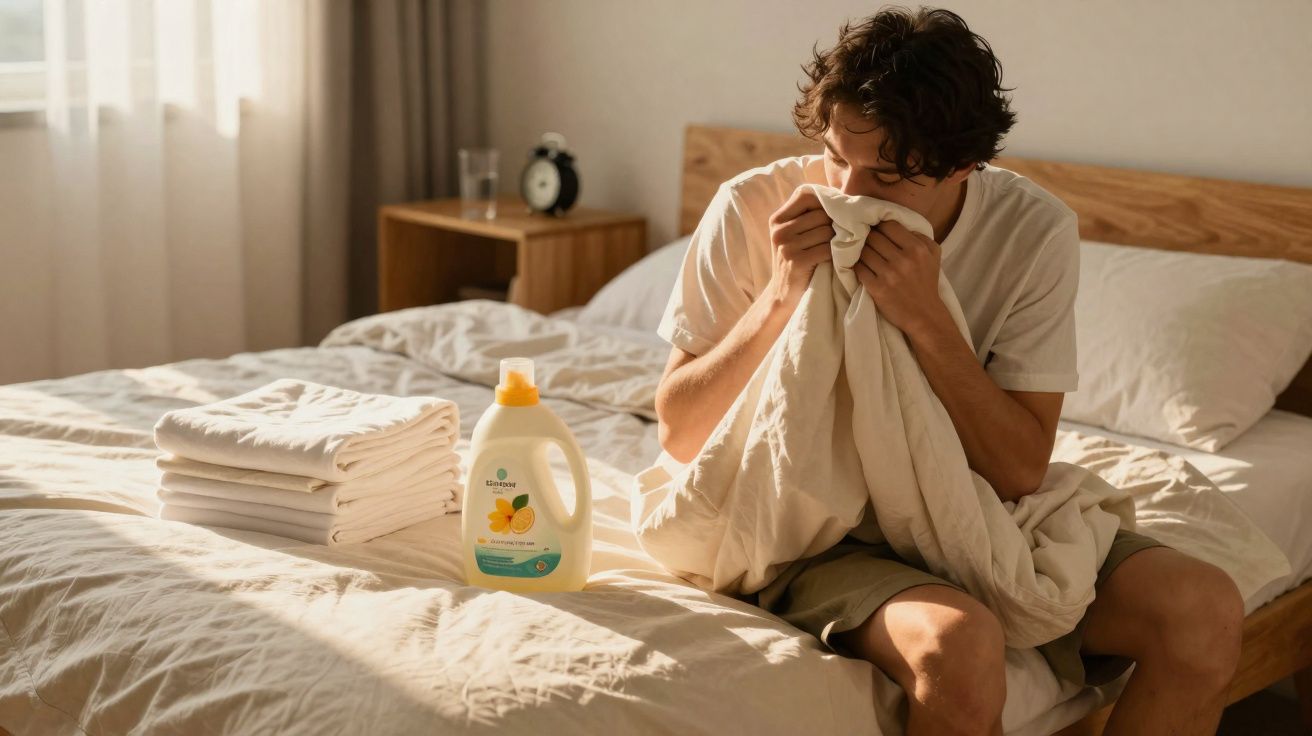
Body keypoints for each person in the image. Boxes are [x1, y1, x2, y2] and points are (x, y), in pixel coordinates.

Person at [653, 7, 1244, 735]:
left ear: (964, 165)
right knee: (959, 646)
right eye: (839, 156)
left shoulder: (1031, 231)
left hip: (976, 509)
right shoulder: (753, 207)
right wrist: (780, 297)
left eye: (888, 175)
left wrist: (929, 320)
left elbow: (1022, 469)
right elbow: (680, 433)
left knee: (1204, 611)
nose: (851, 189)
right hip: (809, 526)